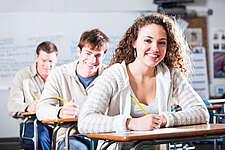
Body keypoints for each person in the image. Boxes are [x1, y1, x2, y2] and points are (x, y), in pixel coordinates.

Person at [78, 13, 209, 148]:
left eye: (162, 42)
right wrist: (130, 123)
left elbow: (201, 112)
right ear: (134, 42)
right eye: (148, 40)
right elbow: (85, 122)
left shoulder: (170, 75)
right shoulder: (113, 75)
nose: (155, 48)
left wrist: (164, 119)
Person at [36, 29, 109, 150]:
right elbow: (41, 110)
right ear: (79, 51)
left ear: (104, 55)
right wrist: (60, 112)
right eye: (88, 53)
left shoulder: (111, 75)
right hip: (72, 136)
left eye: (98, 55)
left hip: (105, 137)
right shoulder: (59, 74)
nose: (92, 60)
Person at [8, 41, 58, 150]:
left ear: (56, 60)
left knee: (72, 142)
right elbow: (12, 107)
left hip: (57, 124)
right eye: (43, 60)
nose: (47, 65)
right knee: (40, 137)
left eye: (51, 61)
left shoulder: (60, 76)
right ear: (36, 57)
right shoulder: (22, 76)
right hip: (33, 123)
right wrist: (28, 107)